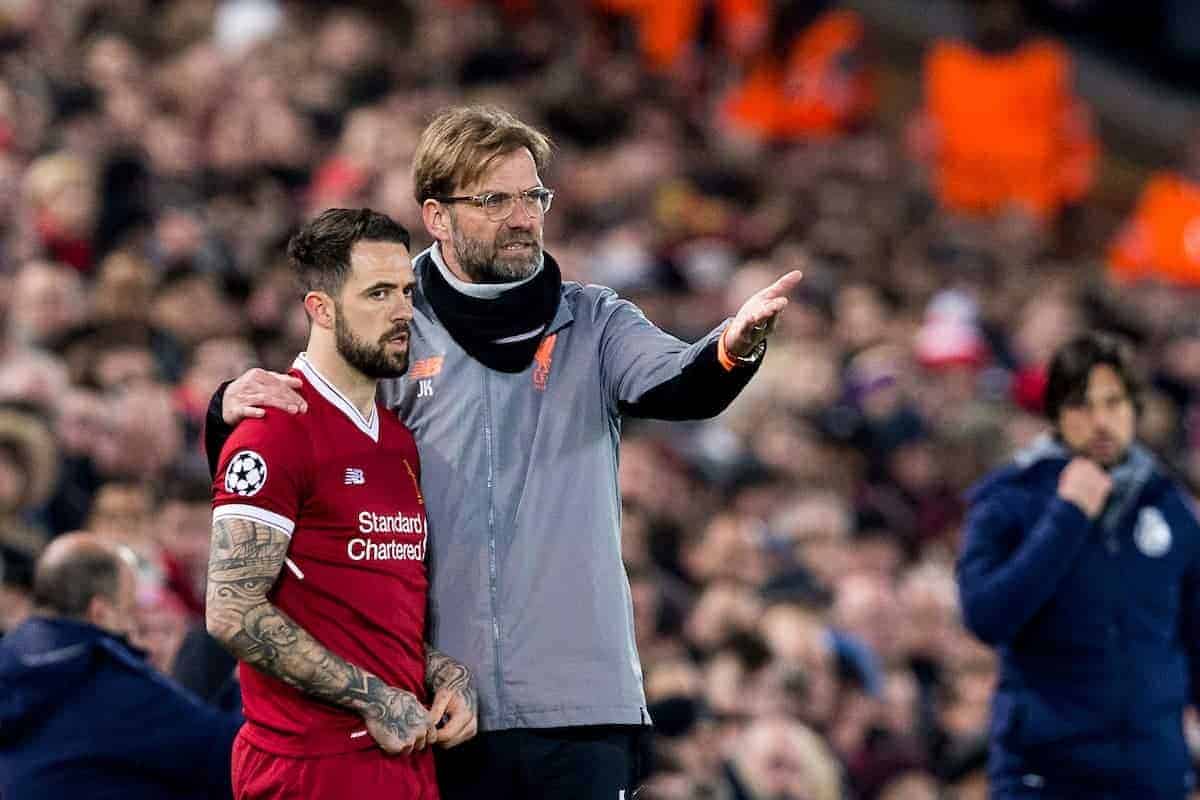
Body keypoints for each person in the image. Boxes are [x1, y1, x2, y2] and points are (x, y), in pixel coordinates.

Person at [206, 104, 801, 799]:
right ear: (437, 215)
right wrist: (224, 410)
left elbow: (682, 384)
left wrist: (735, 344)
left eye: (533, 196)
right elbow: (308, 422)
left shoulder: (594, 320)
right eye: (495, 199)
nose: (524, 216)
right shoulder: (393, 327)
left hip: (580, 704)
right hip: (445, 710)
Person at [204, 208, 477, 800]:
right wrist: (373, 696)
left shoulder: (398, 437)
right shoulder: (274, 429)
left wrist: (437, 673)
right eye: (377, 293)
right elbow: (231, 609)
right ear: (320, 308)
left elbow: (362, 609)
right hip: (309, 768)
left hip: (403, 758)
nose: (403, 310)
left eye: (406, 291)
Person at [957, 332, 1200, 799]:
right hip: (1045, 776)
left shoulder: (1169, 505)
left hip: (1154, 773)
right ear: (1055, 415)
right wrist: (1066, 517)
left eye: (1114, 403)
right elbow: (986, 617)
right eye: (1081, 406)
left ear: (1135, 409)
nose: (1100, 422)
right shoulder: (1007, 501)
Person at [0, 532, 242, 800]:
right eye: (130, 612)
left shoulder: (9, 663)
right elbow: (227, 757)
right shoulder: (109, 680)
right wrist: (248, 682)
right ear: (100, 612)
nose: (133, 631)